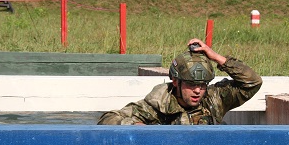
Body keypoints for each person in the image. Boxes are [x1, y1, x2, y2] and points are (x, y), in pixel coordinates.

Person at [97, 38, 263, 125]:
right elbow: (108, 119)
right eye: (192, 85)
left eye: (202, 85)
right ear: (176, 82)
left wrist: (216, 57)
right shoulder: (156, 107)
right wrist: (136, 127)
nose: (198, 91)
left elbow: (252, 82)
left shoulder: (213, 100)